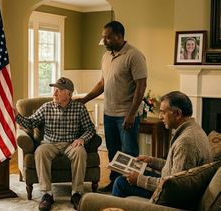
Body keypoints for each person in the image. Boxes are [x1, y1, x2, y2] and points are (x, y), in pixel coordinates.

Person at [77, 20, 147, 193]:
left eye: (108, 38)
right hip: (109, 114)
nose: (104, 41)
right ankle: (115, 184)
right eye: (103, 38)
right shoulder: (106, 57)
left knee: (129, 153)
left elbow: (141, 86)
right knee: (113, 152)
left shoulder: (134, 55)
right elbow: (102, 82)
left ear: (119, 36)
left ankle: (130, 186)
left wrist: (131, 114)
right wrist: (84, 99)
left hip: (126, 114)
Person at [15, 77, 96, 211]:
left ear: (69, 94)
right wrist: (17, 115)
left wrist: (82, 139)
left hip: (71, 144)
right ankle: (47, 194)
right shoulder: (47, 107)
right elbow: (30, 123)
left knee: (81, 152)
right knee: (40, 152)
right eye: (54, 90)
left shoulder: (79, 108)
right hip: (50, 143)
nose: (54, 94)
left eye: (59, 91)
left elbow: (90, 129)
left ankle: (76, 193)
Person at [112, 91, 212, 198]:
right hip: (171, 183)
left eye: (163, 112)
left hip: (170, 196)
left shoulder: (186, 143)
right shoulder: (194, 129)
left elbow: (174, 186)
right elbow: (175, 168)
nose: (160, 117)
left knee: (120, 182)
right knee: (133, 173)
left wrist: (139, 180)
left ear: (178, 114)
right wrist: (151, 161)